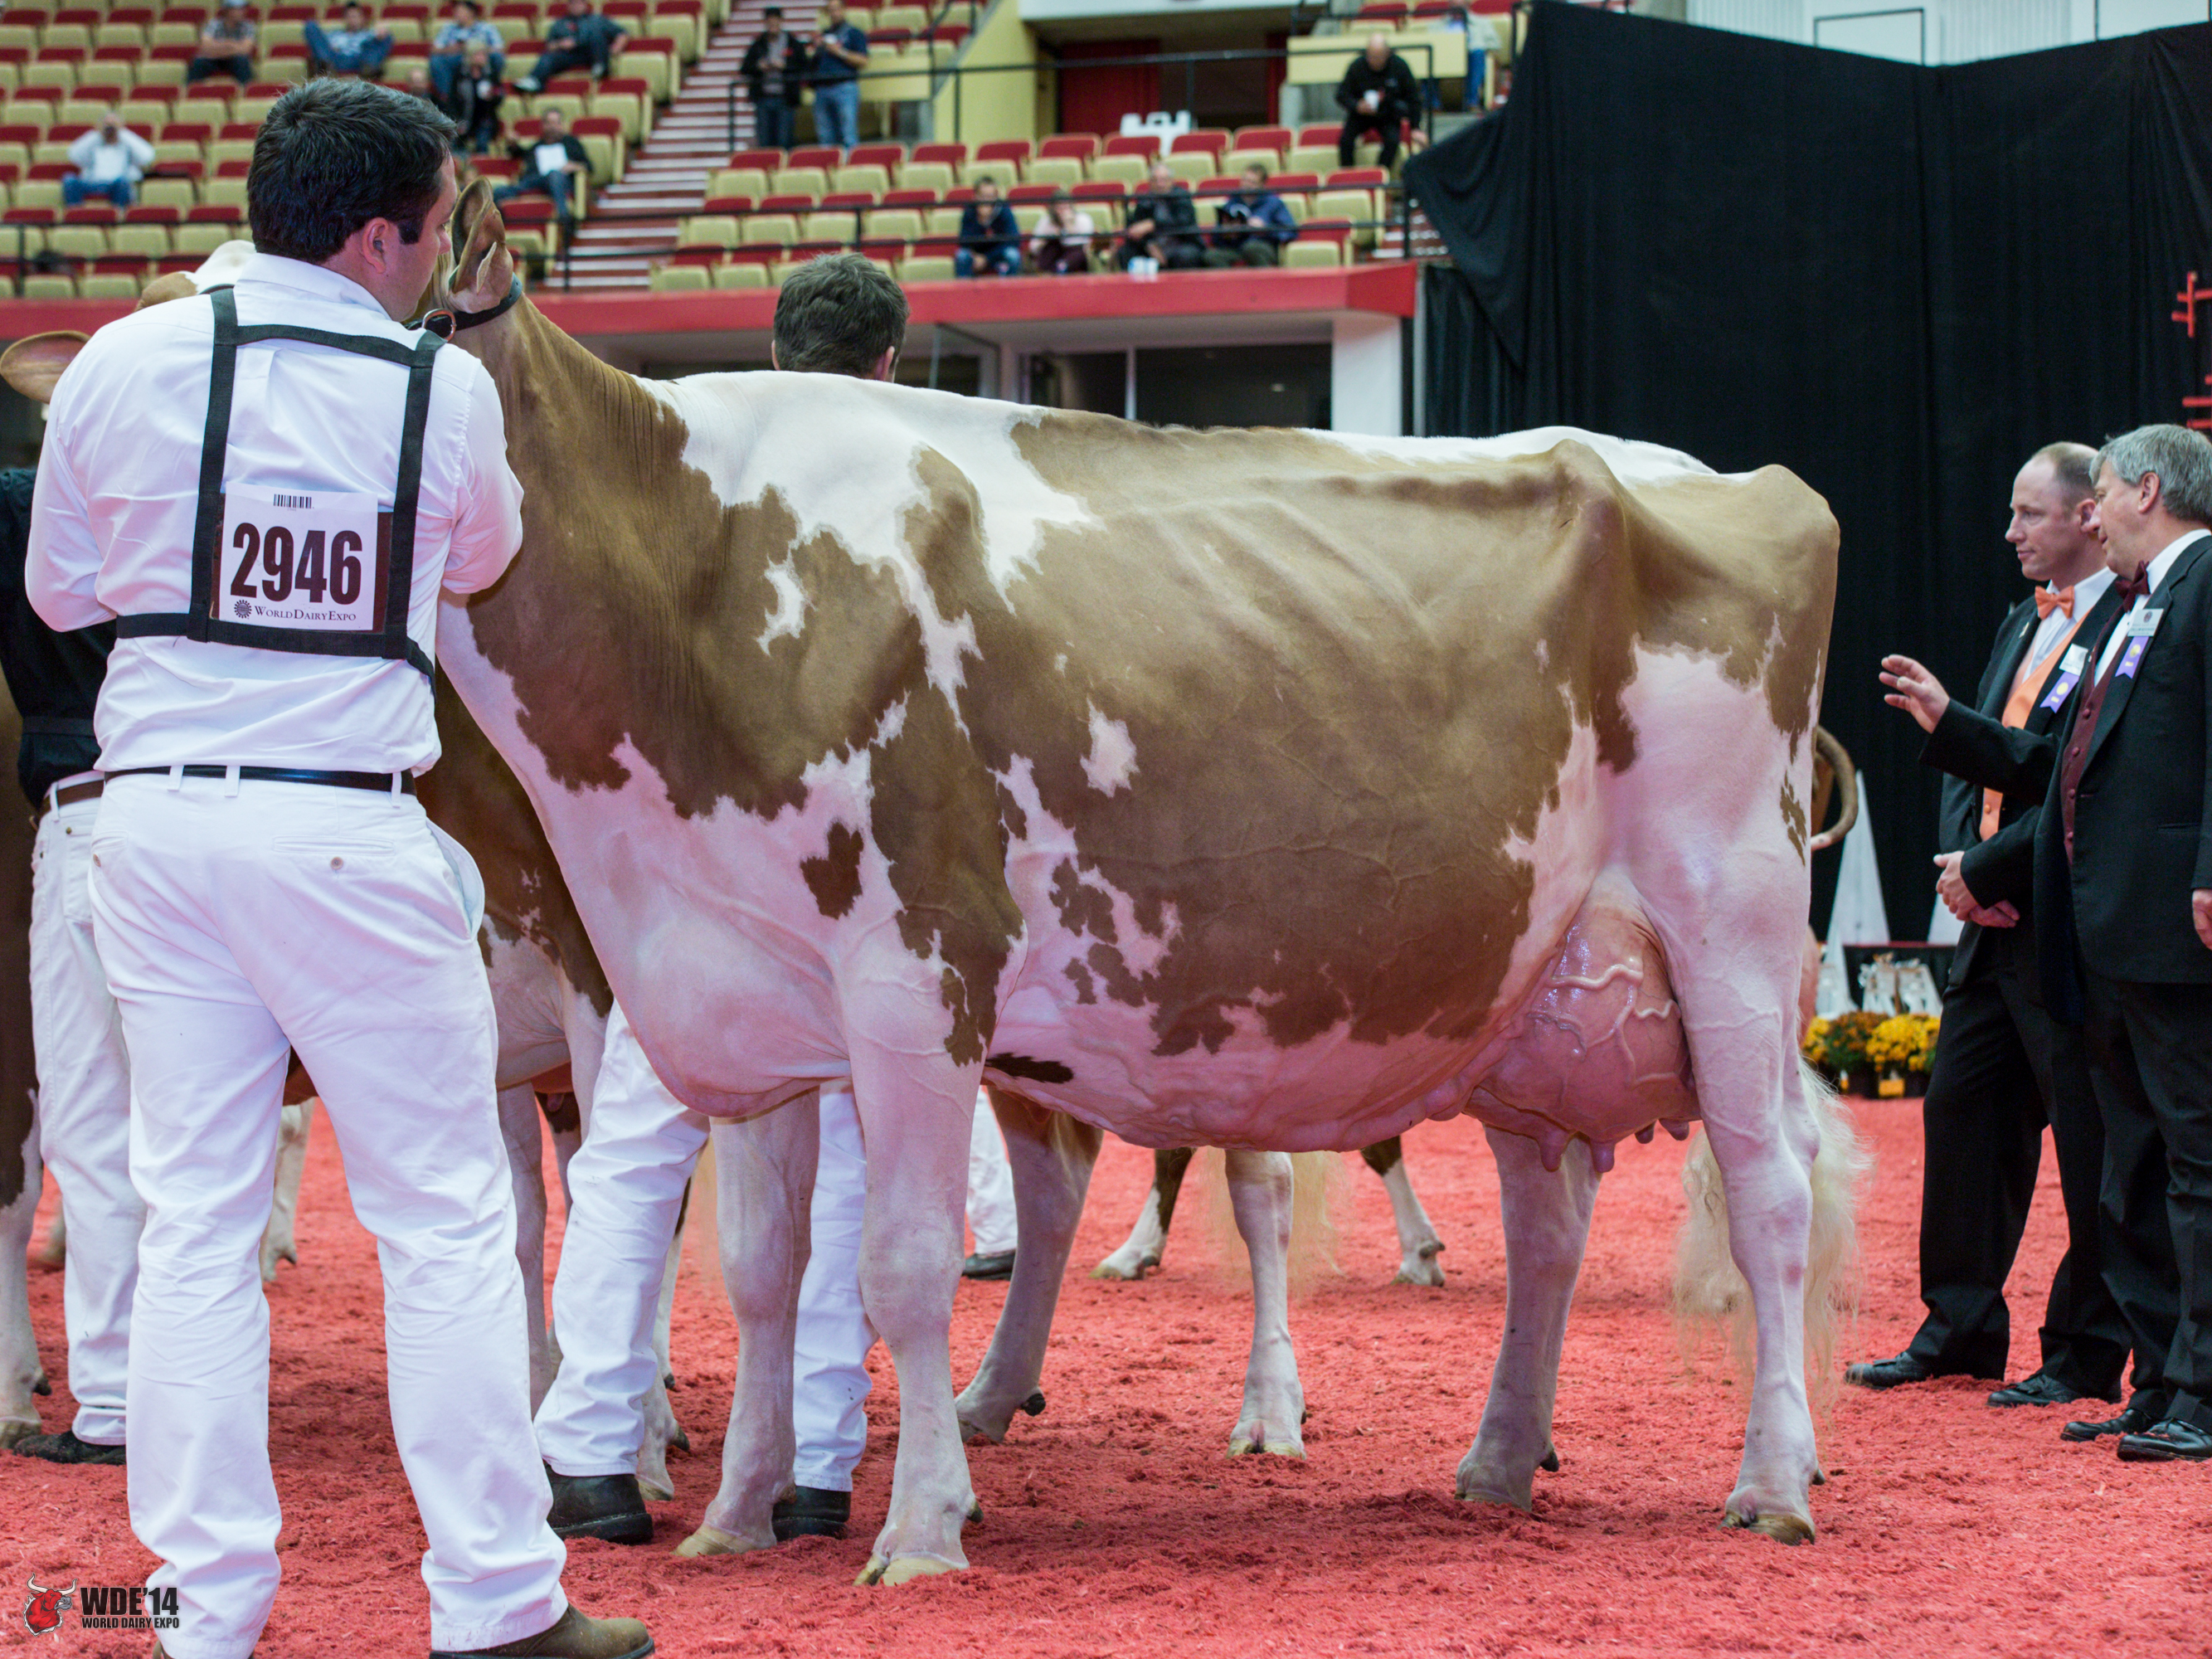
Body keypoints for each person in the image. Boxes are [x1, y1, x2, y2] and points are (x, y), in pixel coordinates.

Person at [23, 80, 649, 1659]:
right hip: (345, 825)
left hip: (157, 827)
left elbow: (64, 590)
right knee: (440, 1222)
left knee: (193, 1221)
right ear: (379, 238)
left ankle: (198, 1613)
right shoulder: (442, 390)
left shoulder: (120, 359)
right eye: (435, 231)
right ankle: (497, 1603)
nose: (439, 260)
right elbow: (486, 559)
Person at [1880, 424, 2212, 1464]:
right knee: (2137, 1165)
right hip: (2101, 923)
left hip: (2158, 923)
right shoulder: (2134, 605)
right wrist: (1951, 724)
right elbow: (2062, 760)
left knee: (2180, 1159)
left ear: (2142, 491)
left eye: (2096, 495)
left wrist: (2211, 866)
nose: (2089, 516)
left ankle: (2183, 1383)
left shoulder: (2196, 585)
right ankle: (2159, 1382)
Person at [1846, 444, 2131, 1411]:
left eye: (2028, 513)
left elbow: (2069, 776)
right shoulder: (2024, 616)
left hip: (2067, 921)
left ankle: (2085, 1352)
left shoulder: (2130, 620)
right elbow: (1974, 759)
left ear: (2088, 515)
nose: (2010, 532)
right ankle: (1959, 1329)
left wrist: (1991, 870)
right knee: (1962, 1115)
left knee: (2090, 1142)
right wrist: (1963, 869)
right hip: (1990, 919)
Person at [0, 462, 139, 1472]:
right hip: (265, 807)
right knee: (209, 1138)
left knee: (93, 1130)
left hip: (88, 813)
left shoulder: (25, 501)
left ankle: (120, 1404)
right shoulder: (224, 476)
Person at [1334, 32, 1418, 169]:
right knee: (1345, 140)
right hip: (1361, 114)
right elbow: (1341, 95)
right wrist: (1357, 105)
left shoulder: (1399, 66)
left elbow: (1414, 97)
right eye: (1371, 57)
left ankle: (1380, 173)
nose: (1374, 61)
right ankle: (1348, 174)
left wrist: (1415, 127)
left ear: (1387, 53)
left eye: (1378, 57)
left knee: (1393, 141)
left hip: (1388, 114)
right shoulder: (1357, 66)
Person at [495, 105, 589, 226]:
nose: (552, 127)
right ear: (543, 126)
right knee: (499, 192)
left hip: (561, 182)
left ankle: (564, 219)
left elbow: (588, 166)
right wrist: (513, 144)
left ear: (561, 125)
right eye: (548, 123)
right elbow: (520, 154)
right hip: (536, 180)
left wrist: (574, 166)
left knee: (554, 174)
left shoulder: (571, 143)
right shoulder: (537, 145)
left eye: (555, 123)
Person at [515, 0, 627, 93]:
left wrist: (615, 49)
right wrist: (561, 44)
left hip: (593, 54)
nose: (576, 5)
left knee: (596, 36)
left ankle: (600, 68)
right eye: (573, 3)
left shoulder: (597, 19)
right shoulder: (560, 24)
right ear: (568, 5)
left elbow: (622, 33)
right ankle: (534, 80)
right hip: (569, 55)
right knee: (547, 57)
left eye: (579, 3)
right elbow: (549, 46)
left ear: (585, 4)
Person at [1203, 162, 1296, 268]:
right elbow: (1215, 236)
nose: (1246, 185)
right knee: (1211, 256)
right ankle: (1231, 279)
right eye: (1244, 180)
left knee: (1251, 247)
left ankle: (1264, 278)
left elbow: (1290, 231)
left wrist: (1265, 229)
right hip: (1236, 248)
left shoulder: (1273, 203)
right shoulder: (1232, 202)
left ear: (1262, 185)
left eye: (1252, 182)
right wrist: (1225, 232)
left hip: (1263, 246)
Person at [807, 0, 868, 154]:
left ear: (844, 10)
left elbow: (863, 61)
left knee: (848, 135)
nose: (834, 13)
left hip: (845, 88)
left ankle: (849, 166)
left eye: (837, 9)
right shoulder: (824, 35)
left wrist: (839, 52)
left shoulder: (854, 34)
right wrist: (817, 48)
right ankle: (828, 166)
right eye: (831, 10)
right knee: (825, 137)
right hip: (822, 89)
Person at [741, 7, 805, 153]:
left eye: (775, 23)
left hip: (785, 98)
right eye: (770, 23)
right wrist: (759, 66)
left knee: (784, 140)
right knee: (765, 142)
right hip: (764, 98)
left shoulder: (793, 44)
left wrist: (785, 66)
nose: (773, 26)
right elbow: (745, 68)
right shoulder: (758, 44)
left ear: (781, 22)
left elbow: (803, 66)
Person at [1121, 158, 1203, 271]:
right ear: (1150, 182)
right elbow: (1137, 228)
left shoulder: (1182, 197)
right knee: (1125, 252)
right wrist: (1149, 245)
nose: (1160, 184)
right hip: (1153, 246)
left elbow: (1182, 222)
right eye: (1155, 180)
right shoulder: (1144, 201)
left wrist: (1153, 225)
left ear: (1171, 181)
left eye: (1164, 180)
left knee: (1186, 255)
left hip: (1181, 244)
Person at [63, 109, 154, 209]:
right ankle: (75, 214)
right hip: (93, 182)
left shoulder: (127, 145)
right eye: (107, 124)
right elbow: (73, 155)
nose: (110, 128)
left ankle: (118, 214)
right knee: (69, 180)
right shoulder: (94, 143)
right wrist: (98, 133)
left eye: (113, 125)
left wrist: (121, 132)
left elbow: (147, 156)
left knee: (123, 183)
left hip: (117, 184)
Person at [430, 0, 505, 102]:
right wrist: (452, 49)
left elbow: (500, 48)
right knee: (436, 61)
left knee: (497, 57)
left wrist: (479, 49)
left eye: (460, 11)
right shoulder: (449, 28)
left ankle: (493, 87)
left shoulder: (486, 28)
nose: (456, 14)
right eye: (456, 11)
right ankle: (447, 96)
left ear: (471, 12)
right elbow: (434, 49)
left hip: (482, 58)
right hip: (457, 58)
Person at [954, 175, 1020, 278]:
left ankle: (1011, 287)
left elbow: (1013, 240)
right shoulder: (969, 211)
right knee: (962, 255)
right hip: (976, 255)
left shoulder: (1004, 210)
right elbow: (964, 241)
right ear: (976, 196)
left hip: (998, 254)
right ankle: (965, 287)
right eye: (983, 196)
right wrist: (981, 222)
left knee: (1013, 255)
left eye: (990, 196)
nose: (987, 200)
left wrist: (987, 258)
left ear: (996, 196)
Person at [444, 43, 505, 153]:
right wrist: (457, 122)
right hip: (464, 118)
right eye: (478, 54)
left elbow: (500, 96)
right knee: (457, 143)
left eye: (484, 54)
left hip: (485, 120)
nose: (482, 57)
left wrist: (493, 96)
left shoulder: (491, 74)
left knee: (482, 142)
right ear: (470, 56)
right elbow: (452, 101)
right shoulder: (460, 75)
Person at [304, 2, 394, 76]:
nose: (353, 20)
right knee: (311, 26)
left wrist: (380, 36)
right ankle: (326, 68)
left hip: (361, 61)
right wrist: (330, 48)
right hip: (335, 61)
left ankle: (369, 68)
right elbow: (322, 47)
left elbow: (376, 46)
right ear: (345, 19)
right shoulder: (335, 34)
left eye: (355, 16)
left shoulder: (369, 34)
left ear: (362, 18)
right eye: (350, 16)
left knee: (386, 37)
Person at [187, 0, 257, 85]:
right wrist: (232, 45)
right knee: (198, 62)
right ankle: (192, 89)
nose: (243, 11)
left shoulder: (248, 26)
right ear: (228, 10)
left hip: (232, 59)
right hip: (213, 60)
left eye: (243, 8)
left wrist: (217, 48)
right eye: (238, 9)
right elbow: (205, 47)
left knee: (243, 61)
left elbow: (245, 50)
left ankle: (245, 90)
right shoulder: (213, 24)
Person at [1027, 189, 1092, 275]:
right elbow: (1033, 247)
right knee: (1051, 246)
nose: (1063, 211)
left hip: (1075, 255)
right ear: (1053, 209)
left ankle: (1061, 268)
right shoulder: (1046, 221)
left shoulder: (1083, 220)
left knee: (1077, 253)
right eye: (1059, 208)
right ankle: (1048, 273)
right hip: (1054, 256)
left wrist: (1068, 226)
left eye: (1066, 207)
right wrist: (1049, 237)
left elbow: (1082, 245)